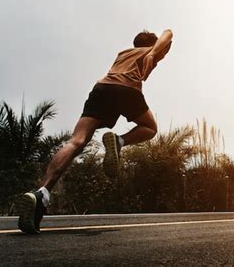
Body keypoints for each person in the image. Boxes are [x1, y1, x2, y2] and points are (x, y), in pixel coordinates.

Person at [16, 29, 173, 234]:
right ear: (150, 44)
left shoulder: (123, 53)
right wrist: (153, 53)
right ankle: (120, 141)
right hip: (127, 89)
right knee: (150, 128)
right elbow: (168, 33)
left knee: (76, 141)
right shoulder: (149, 51)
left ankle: (41, 193)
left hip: (101, 89)